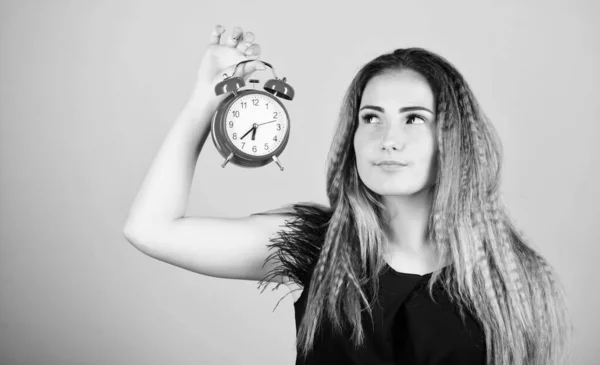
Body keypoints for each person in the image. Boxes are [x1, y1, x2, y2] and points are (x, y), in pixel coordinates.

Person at [123, 25, 572, 365]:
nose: (387, 139)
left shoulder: (512, 276)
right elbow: (150, 230)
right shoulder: (319, 245)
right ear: (352, 136)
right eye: (371, 117)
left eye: (413, 119)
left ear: (452, 137)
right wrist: (207, 95)